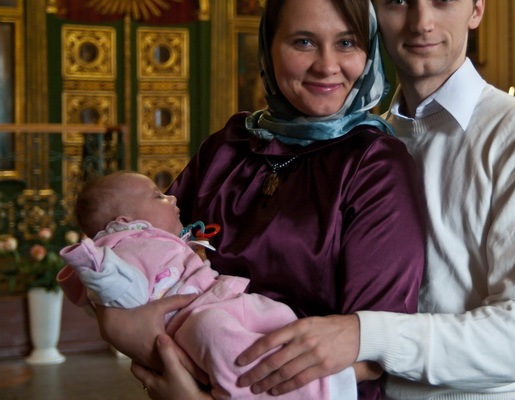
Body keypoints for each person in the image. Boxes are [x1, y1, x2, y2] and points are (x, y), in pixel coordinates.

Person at [231, 0, 515, 399]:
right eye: (398, 0)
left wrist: (363, 334)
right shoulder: (359, 139)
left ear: (476, 9)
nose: (421, 23)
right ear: (372, 15)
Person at [94, 0, 427, 400]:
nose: (327, 65)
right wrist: (119, 324)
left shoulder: (373, 165)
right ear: (268, 48)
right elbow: (142, 252)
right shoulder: (228, 147)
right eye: (304, 42)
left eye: (347, 42)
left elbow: (374, 347)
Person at [58, 171, 357, 400]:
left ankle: (315, 367)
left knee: (274, 315)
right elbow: (118, 288)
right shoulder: (120, 251)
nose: (173, 198)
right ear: (125, 222)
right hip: (188, 320)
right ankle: (302, 391)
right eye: (158, 197)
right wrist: (95, 268)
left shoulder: (156, 239)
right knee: (214, 333)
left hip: (221, 297)